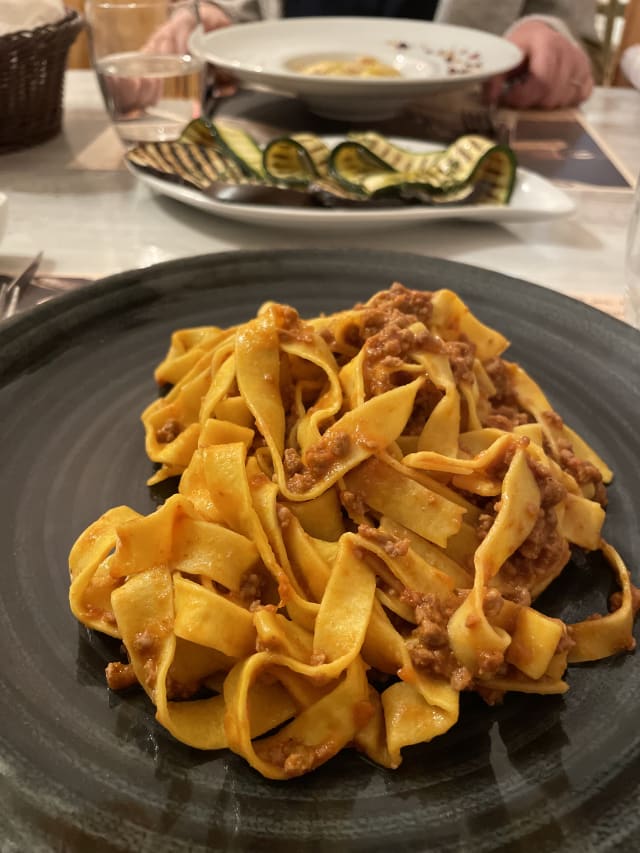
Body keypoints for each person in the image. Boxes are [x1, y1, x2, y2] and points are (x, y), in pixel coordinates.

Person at [155, 0, 597, 109]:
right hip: (265, 136)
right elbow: (228, 8)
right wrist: (208, 14)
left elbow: (572, 24)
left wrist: (550, 29)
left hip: (472, 136)